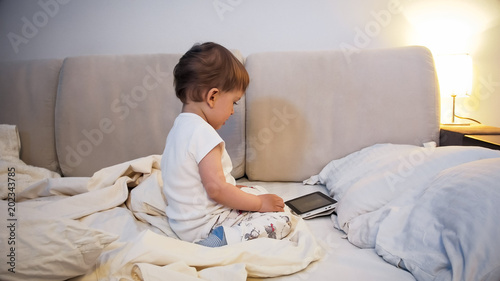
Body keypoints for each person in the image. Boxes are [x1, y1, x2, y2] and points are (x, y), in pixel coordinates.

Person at [160, 42, 292, 247]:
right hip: (206, 224)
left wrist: (235, 188)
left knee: (252, 189)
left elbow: (200, 180)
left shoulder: (179, 128)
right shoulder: (203, 132)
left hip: (182, 224)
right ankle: (219, 241)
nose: (232, 111)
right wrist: (259, 204)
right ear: (212, 97)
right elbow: (216, 189)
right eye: (234, 102)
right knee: (281, 220)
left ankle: (227, 226)